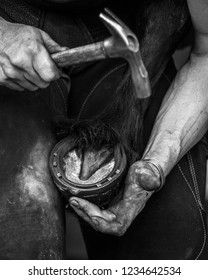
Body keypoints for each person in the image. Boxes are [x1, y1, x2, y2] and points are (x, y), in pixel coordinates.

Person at [0, 0, 207, 260]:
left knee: (173, 241)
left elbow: (206, 54)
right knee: (22, 243)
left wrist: (155, 164)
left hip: (130, 42)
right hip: (10, 30)